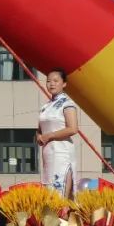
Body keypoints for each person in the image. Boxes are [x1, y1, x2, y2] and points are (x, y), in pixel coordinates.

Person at [37, 68, 78, 196]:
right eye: (49, 81)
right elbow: (40, 129)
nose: (51, 84)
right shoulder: (45, 107)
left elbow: (73, 128)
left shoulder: (67, 104)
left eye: (55, 81)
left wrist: (50, 136)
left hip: (62, 152)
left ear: (64, 84)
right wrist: (39, 136)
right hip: (48, 152)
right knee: (48, 191)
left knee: (59, 193)